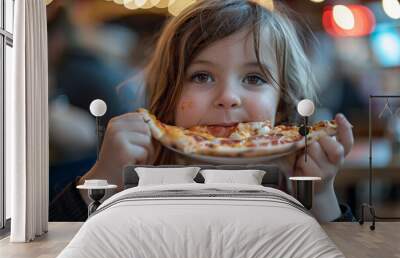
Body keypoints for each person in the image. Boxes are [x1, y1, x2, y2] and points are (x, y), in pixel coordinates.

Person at [58, 0, 354, 222]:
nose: (227, 97)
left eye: (254, 78)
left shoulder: (296, 185)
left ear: (282, 103)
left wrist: (321, 196)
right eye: (202, 76)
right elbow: (46, 245)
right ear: (170, 95)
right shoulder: (138, 176)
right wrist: (104, 177)